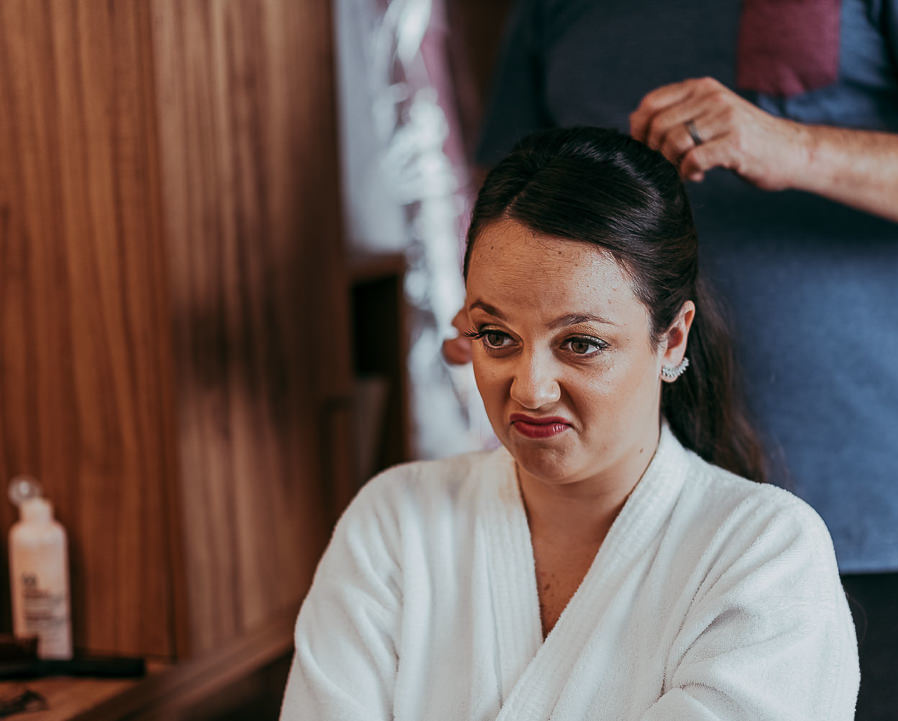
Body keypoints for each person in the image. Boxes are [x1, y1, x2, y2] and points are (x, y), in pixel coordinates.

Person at [453, 2, 898, 719]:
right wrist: (501, 314)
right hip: (625, 536)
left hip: (869, 534)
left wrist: (791, 148)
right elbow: (508, 192)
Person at [280, 127, 860, 720]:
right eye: (497, 337)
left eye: (581, 343)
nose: (530, 390)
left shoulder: (765, 554)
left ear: (672, 340)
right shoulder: (396, 523)